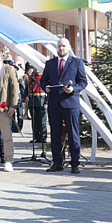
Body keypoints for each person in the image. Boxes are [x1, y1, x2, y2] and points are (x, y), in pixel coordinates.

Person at [39, 37, 88, 174]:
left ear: (69, 47)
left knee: (73, 134)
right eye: (59, 46)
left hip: (70, 103)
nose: (61, 48)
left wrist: (73, 89)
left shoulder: (77, 62)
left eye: (64, 46)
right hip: (54, 104)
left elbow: (83, 82)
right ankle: (57, 163)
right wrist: (45, 87)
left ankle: (75, 163)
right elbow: (43, 81)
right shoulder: (50, 63)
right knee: (55, 134)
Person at [27, 68, 48, 154]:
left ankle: (43, 137)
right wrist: (24, 99)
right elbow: (27, 89)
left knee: (42, 120)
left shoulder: (44, 78)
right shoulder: (31, 78)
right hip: (32, 100)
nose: (37, 70)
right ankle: (35, 136)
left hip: (41, 100)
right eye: (35, 69)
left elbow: (47, 91)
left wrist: (46, 102)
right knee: (34, 120)